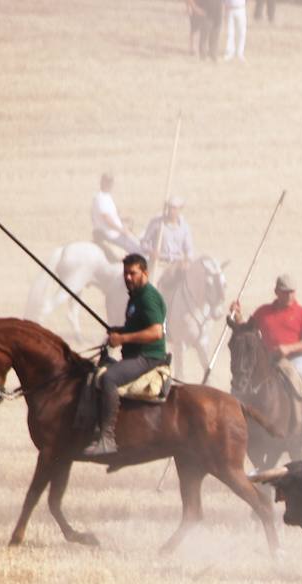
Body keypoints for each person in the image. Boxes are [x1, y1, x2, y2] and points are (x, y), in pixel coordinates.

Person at [84, 254, 169, 457]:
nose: (128, 277)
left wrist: (122, 339)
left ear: (145, 273)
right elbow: (139, 327)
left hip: (148, 357)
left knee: (109, 378)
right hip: (136, 355)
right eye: (125, 273)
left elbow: (156, 332)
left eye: (133, 273)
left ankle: (107, 438)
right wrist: (120, 330)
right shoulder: (136, 296)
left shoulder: (148, 297)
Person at [228, 274, 302, 445]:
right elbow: (248, 331)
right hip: (265, 359)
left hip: (294, 359)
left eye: (292, 292)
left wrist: (289, 348)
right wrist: (238, 316)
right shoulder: (263, 312)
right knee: (240, 384)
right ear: (276, 292)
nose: (289, 296)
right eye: (285, 292)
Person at [141, 197, 196, 297]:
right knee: (151, 287)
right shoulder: (157, 223)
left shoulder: (185, 227)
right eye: (170, 208)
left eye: (175, 208)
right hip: (160, 264)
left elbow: (189, 249)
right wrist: (151, 252)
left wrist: (187, 260)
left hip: (177, 264)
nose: (172, 211)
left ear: (180, 209)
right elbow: (144, 242)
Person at [90, 174, 140, 257]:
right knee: (137, 251)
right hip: (110, 234)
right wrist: (121, 230)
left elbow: (111, 216)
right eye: (107, 182)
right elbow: (106, 218)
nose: (110, 184)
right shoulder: (100, 198)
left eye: (111, 182)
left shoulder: (107, 196)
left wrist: (123, 219)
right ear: (102, 182)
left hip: (113, 232)